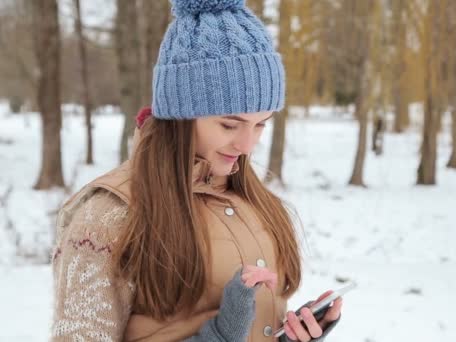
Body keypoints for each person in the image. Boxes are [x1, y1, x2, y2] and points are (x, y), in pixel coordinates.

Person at [50, 0, 343, 340]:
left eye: (261, 124)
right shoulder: (109, 214)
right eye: (230, 124)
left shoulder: (253, 203)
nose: (248, 145)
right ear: (182, 114)